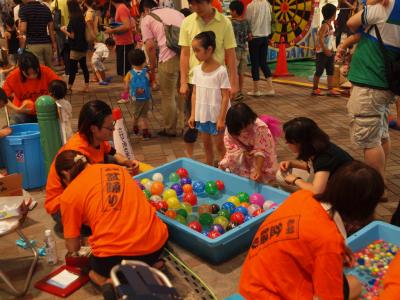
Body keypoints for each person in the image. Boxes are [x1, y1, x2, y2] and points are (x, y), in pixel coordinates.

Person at [239, 160, 384, 300]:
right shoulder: (328, 241)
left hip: (250, 283)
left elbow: (302, 236)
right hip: (272, 294)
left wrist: (338, 247)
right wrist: (332, 251)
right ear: (361, 210)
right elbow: (328, 297)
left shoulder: (303, 196)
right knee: (354, 284)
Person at [55, 150, 168, 286]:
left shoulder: (69, 194)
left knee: (87, 267)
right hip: (157, 244)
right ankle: (150, 267)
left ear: (65, 174)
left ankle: (110, 282)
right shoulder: (117, 169)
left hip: (117, 258)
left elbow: (73, 248)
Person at [45, 100, 141, 228]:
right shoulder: (77, 153)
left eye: (113, 124)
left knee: (112, 161)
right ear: (94, 128)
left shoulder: (97, 139)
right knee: (110, 214)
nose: (113, 130)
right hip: (61, 207)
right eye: (109, 127)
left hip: (82, 189)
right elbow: (86, 189)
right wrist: (120, 174)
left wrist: (126, 162)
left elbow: (113, 153)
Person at [346, 0, 400, 180]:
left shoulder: (385, 8)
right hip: (385, 84)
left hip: (370, 82)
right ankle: (381, 183)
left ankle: (376, 188)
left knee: (369, 141)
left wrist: (368, 5)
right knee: (381, 134)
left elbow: (351, 23)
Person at [179, 0, 238, 158]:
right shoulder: (187, 22)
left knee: (220, 135)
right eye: (192, 4)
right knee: (193, 126)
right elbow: (184, 54)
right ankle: (192, 160)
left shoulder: (224, 23)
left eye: (199, 3)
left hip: (218, 83)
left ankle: (225, 164)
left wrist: (234, 82)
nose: (195, 8)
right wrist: (183, 81)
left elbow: (230, 54)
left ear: (209, 2)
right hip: (195, 82)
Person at [139, 0, 185, 137]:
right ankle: (183, 125)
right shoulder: (178, 13)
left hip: (167, 58)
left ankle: (170, 128)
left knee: (168, 95)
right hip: (186, 57)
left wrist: (152, 67)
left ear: (145, 9)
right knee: (183, 92)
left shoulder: (147, 19)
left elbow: (150, 46)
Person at [276, 117, 353, 193]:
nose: (286, 143)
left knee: (288, 179)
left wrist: (296, 180)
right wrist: (292, 163)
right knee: (281, 174)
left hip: (346, 192)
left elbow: (317, 191)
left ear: (301, 142)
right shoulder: (318, 146)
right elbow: (312, 166)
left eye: (289, 141)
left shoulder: (324, 158)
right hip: (336, 182)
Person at [188, 31, 230, 166]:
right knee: (207, 147)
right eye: (193, 51)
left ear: (209, 49)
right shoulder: (196, 70)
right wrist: (193, 115)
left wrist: (222, 118)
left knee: (220, 147)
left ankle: (227, 170)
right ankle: (209, 169)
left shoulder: (221, 71)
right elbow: (194, 93)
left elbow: (225, 96)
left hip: (217, 118)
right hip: (202, 116)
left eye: (197, 50)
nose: (195, 54)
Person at [219, 102, 279, 183]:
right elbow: (230, 145)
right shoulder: (232, 128)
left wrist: (258, 170)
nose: (245, 130)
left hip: (260, 155)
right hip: (243, 153)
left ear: (251, 119)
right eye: (241, 128)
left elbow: (262, 150)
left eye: (247, 125)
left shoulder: (260, 128)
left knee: (260, 175)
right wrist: (243, 152)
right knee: (228, 164)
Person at [2, 52, 60, 123]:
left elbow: (59, 87)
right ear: (21, 70)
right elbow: (2, 97)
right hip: (22, 112)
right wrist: (17, 109)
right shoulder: (13, 76)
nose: (33, 76)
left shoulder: (46, 71)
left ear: (38, 67)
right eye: (28, 74)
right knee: (17, 118)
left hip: (45, 109)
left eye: (35, 73)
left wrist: (53, 99)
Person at [245, 0, 275, 96]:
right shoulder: (267, 4)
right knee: (263, 63)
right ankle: (271, 88)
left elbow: (247, 22)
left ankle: (256, 90)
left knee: (255, 64)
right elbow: (271, 20)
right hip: (265, 37)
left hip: (254, 38)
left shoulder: (251, 6)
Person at [312, 3, 341, 96]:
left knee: (330, 71)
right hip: (322, 53)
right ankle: (315, 89)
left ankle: (330, 89)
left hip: (329, 52)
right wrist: (324, 49)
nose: (336, 15)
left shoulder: (330, 24)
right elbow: (319, 38)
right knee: (319, 71)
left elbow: (327, 38)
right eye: (335, 13)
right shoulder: (325, 26)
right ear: (332, 15)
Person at [60, 0, 89, 92]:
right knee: (84, 66)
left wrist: (63, 30)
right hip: (83, 45)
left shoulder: (72, 19)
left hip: (75, 47)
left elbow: (72, 35)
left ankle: (69, 86)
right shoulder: (81, 17)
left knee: (72, 68)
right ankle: (86, 86)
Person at [123, 49, 152, 140]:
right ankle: (145, 133)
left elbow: (126, 87)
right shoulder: (147, 73)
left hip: (134, 98)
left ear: (131, 62)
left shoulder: (129, 74)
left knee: (135, 115)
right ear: (144, 60)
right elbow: (151, 85)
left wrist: (125, 96)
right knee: (144, 115)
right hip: (145, 98)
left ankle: (135, 127)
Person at [18, 0, 57, 68]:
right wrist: (54, 43)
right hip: (47, 44)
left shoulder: (24, 9)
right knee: (50, 70)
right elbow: (51, 29)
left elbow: (23, 30)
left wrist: (21, 49)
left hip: (32, 45)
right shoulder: (45, 8)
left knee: (38, 70)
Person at [105, 0, 135, 77]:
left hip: (125, 43)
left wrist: (112, 30)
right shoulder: (120, 8)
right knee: (123, 71)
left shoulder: (121, 8)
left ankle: (128, 88)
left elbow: (127, 26)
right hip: (122, 43)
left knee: (125, 72)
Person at [229, 1, 251, 101]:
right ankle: (240, 92)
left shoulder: (231, 23)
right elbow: (250, 36)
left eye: (231, 10)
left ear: (234, 11)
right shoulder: (246, 21)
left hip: (235, 50)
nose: (230, 12)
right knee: (241, 73)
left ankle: (234, 92)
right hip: (244, 50)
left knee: (233, 72)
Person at [48, 79, 73, 143]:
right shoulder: (67, 103)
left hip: (60, 130)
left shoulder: (54, 105)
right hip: (68, 128)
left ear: (50, 93)